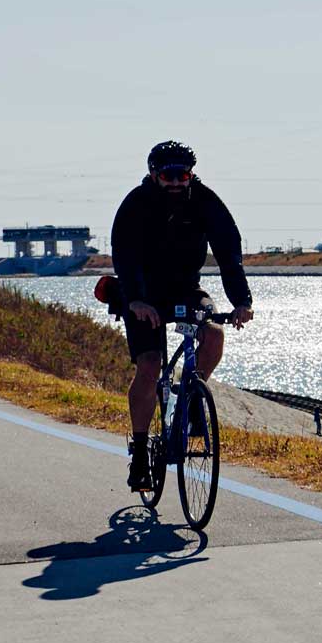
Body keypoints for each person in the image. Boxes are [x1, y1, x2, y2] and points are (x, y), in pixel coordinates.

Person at [110, 140, 254, 491]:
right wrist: (136, 300)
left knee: (214, 334)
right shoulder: (136, 205)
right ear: (153, 174)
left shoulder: (204, 200)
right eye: (167, 175)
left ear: (191, 174)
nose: (176, 181)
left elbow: (228, 252)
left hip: (187, 288)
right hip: (143, 294)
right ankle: (141, 453)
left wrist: (241, 302)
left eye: (183, 174)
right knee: (149, 365)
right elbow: (124, 257)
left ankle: (192, 398)